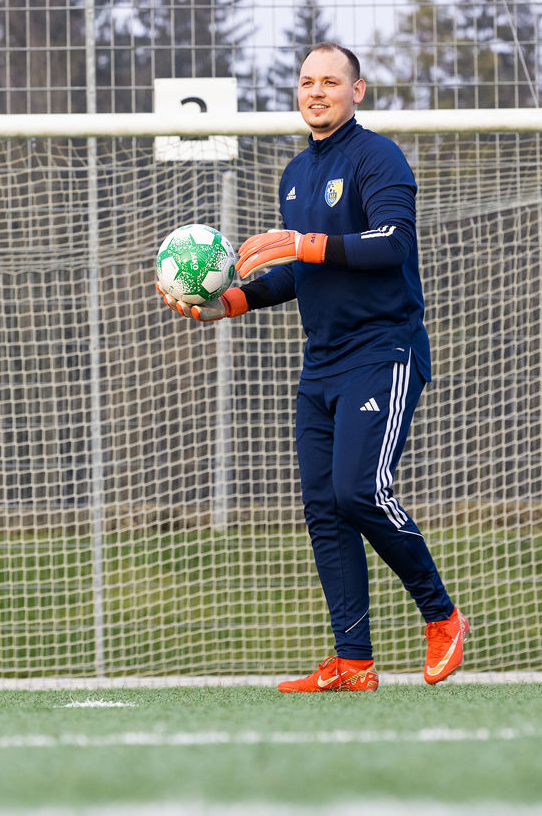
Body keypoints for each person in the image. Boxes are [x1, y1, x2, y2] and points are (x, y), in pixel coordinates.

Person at [159, 42, 468, 692]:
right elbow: (305, 271)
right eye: (306, 82)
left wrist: (302, 243)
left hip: (384, 352)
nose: (316, 91)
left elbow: (392, 244)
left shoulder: (377, 157)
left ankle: (442, 616)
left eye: (331, 81)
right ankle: (353, 659)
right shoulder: (295, 174)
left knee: (360, 490)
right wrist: (231, 302)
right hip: (321, 366)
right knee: (326, 508)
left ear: (357, 92)